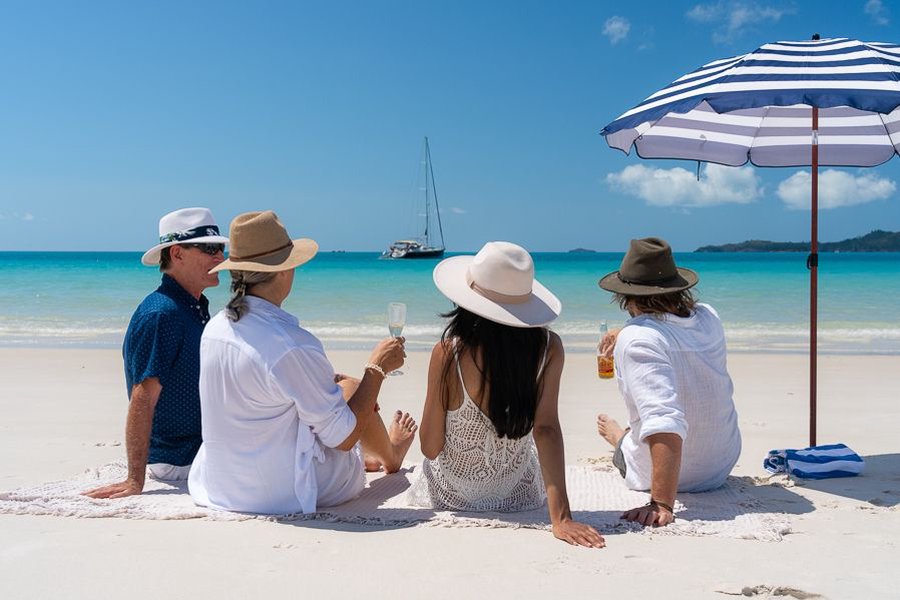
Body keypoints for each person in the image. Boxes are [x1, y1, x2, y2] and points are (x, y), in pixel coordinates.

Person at [188, 211, 417, 515]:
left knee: (335, 389)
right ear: (285, 271)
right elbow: (344, 438)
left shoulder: (216, 328)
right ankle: (391, 456)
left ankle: (380, 453)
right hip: (281, 492)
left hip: (222, 484)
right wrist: (376, 369)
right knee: (351, 390)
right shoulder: (290, 344)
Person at [408, 241, 606, 548]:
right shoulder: (548, 349)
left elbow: (430, 447)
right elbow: (547, 429)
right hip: (518, 495)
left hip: (451, 496)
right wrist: (561, 518)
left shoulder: (448, 352)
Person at [595, 237, 741, 527]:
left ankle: (618, 437)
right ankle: (624, 435)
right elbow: (666, 327)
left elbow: (664, 420)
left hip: (665, 474)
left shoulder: (638, 339)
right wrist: (624, 331)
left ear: (625, 295)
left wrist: (661, 502)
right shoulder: (710, 317)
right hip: (720, 465)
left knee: (629, 442)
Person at [85, 207, 228, 499]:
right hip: (180, 459)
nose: (220, 258)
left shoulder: (191, 306)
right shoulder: (161, 314)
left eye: (221, 248)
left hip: (200, 448)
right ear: (177, 254)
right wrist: (134, 480)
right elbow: (143, 396)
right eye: (211, 248)